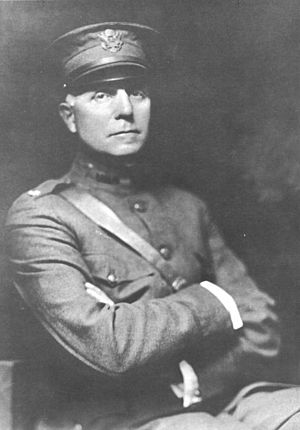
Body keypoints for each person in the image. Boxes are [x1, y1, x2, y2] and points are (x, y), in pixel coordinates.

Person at [5, 22, 283, 430]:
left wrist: (195, 383)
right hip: (111, 417)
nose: (126, 109)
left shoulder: (187, 206)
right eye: (101, 94)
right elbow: (109, 346)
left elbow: (265, 326)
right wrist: (215, 301)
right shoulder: (42, 217)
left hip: (215, 392)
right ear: (69, 116)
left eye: (137, 91)